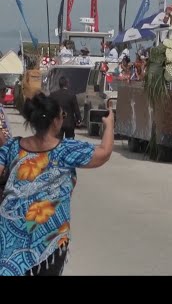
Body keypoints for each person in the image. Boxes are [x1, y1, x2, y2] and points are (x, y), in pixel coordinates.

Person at [0, 93, 114, 276]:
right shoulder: (65, 149)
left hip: (10, 229)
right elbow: (104, 152)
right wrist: (109, 125)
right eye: (63, 116)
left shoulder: (13, 146)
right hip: (49, 234)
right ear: (55, 121)